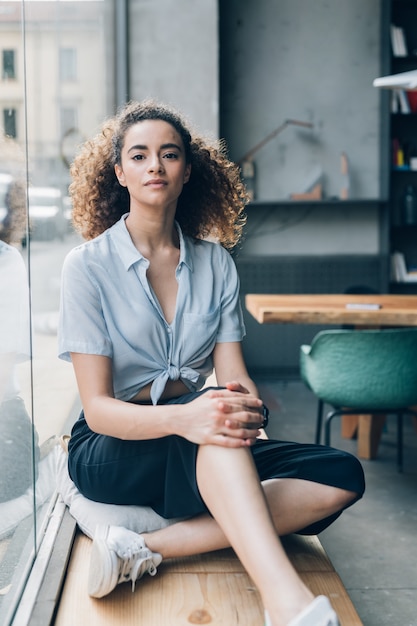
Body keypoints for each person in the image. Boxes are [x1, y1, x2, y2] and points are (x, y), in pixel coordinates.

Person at [58, 99, 365, 626]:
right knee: (213, 428)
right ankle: (288, 605)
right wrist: (191, 417)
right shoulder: (86, 268)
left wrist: (246, 407)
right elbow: (100, 409)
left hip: (199, 430)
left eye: (169, 154)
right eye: (140, 155)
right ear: (119, 172)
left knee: (340, 475)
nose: (155, 165)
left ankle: (147, 549)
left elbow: (234, 373)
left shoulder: (216, 261)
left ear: (187, 171)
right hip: (114, 447)